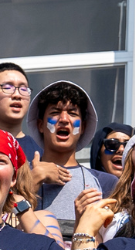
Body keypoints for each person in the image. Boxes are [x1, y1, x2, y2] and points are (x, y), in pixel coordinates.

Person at [23, 82, 113, 238]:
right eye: (55, 112)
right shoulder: (17, 175)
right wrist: (33, 181)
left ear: (83, 126)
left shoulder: (105, 182)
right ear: (40, 125)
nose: (64, 119)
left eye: (72, 113)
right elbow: (3, 225)